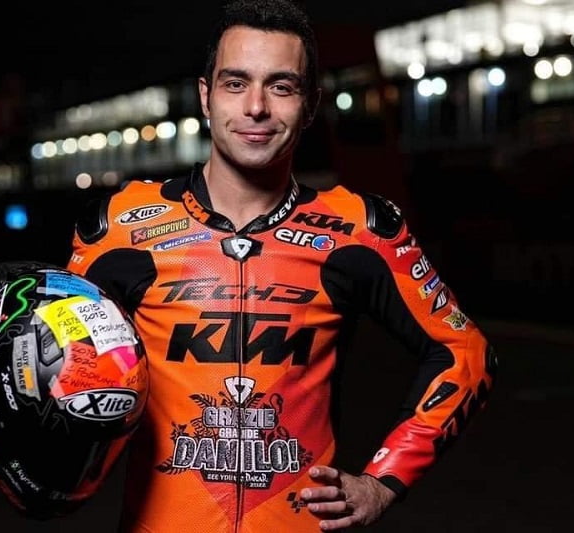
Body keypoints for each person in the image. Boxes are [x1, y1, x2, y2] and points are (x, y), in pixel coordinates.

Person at [65, 0, 496, 530]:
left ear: (310, 105)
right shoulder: (120, 227)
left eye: (282, 87)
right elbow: (57, 366)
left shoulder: (358, 230)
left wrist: (384, 481)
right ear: (205, 96)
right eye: (235, 83)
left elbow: (466, 353)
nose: (256, 108)